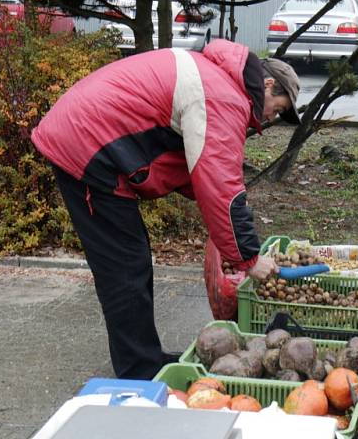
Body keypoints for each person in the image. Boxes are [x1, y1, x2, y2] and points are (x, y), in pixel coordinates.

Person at [31, 39, 300, 379]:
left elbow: (199, 175)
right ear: (268, 84)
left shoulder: (218, 81)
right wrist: (248, 256)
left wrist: (225, 229)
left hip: (92, 140)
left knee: (133, 258)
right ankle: (138, 371)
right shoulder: (223, 96)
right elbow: (220, 186)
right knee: (125, 265)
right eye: (277, 108)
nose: (272, 117)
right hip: (86, 146)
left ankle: (144, 358)